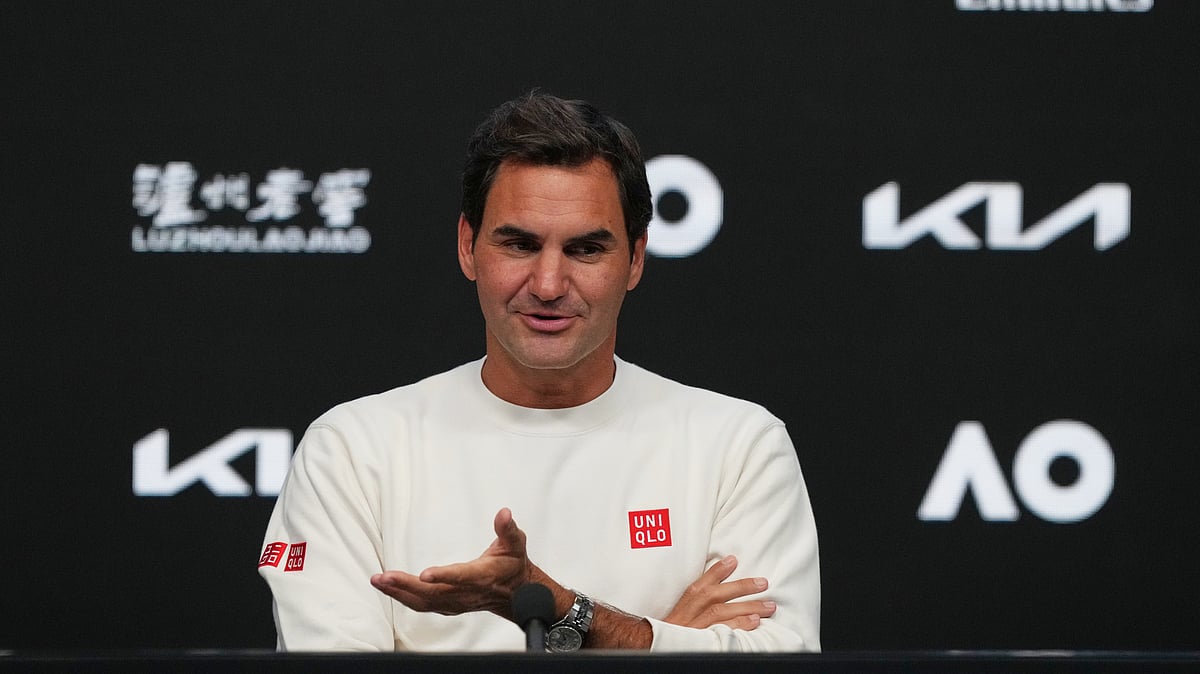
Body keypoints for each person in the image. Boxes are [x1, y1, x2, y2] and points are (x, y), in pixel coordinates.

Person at [257, 92, 820, 652]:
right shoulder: (352, 450)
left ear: (637, 258)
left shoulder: (739, 446)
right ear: (467, 245)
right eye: (520, 244)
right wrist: (653, 644)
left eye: (585, 249)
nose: (548, 285)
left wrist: (563, 609)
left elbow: (779, 660)